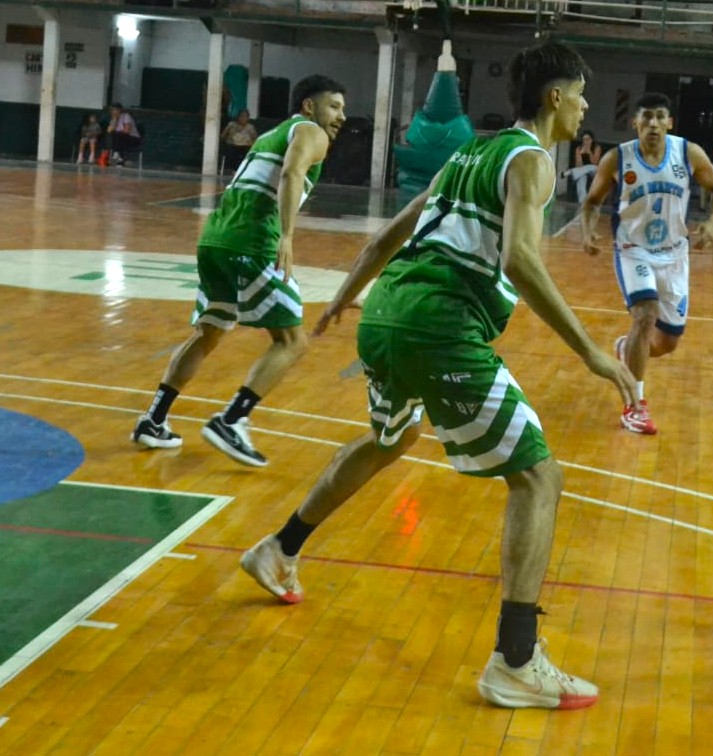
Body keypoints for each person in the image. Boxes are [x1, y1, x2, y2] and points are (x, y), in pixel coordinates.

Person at [237, 41, 636, 710]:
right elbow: (519, 261)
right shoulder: (531, 160)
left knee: (393, 439)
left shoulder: (465, 153)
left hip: (386, 314)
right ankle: (515, 660)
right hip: (438, 325)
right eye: (580, 94)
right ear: (553, 98)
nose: (587, 106)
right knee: (539, 477)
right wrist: (593, 353)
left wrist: (345, 298)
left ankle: (280, 548)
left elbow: (386, 234)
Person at [130, 75, 347, 467]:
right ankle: (232, 419)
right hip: (252, 240)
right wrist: (287, 236)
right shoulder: (311, 132)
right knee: (292, 341)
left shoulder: (271, 135)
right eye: (334, 106)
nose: (341, 116)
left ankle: (154, 420)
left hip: (215, 238)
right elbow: (292, 173)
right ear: (309, 107)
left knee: (209, 332)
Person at [580, 92, 713, 434]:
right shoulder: (618, 158)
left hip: (675, 255)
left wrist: (712, 222)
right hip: (634, 250)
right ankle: (635, 405)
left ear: (670, 123)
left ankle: (626, 348)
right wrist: (588, 233)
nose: (653, 123)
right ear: (635, 123)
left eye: (660, 116)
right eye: (646, 117)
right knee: (645, 314)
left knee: (666, 342)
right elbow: (592, 202)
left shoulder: (687, 152)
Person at [562, 129, 601, 200]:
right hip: (582, 170)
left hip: (595, 170)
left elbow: (595, 162)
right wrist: (580, 154)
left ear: (592, 140)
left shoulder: (596, 147)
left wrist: (589, 152)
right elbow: (578, 166)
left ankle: (571, 172)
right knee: (580, 177)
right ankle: (582, 201)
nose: (586, 141)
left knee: (590, 167)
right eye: (584, 139)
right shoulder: (579, 148)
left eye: (587, 139)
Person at [220, 109, 258, 174]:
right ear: (238, 117)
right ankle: (233, 170)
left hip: (246, 146)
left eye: (245, 116)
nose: (243, 118)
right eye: (241, 116)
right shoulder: (231, 125)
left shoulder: (250, 127)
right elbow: (223, 136)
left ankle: (244, 169)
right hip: (233, 145)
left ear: (248, 118)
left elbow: (255, 138)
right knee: (233, 152)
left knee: (247, 153)